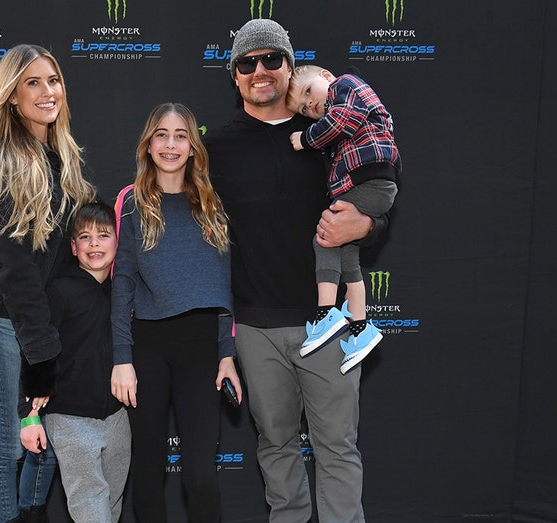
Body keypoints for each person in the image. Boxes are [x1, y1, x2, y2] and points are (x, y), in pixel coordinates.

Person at [202, 19, 390, 522]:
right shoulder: (214, 148)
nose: (260, 71)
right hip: (256, 327)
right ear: (235, 75)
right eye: (248, 63)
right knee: (276, 446)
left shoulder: (329, 133)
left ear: (290, 68)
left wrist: (367, 224)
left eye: (272, 60)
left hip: (325, 325)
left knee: (337, 448)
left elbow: (375, 193)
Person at [0, 43, 97, 523]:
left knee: (45, 439)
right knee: (9, 446)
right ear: (12, 96)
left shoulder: (60, 156)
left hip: (43, 324)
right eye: (33, 83)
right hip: (6, 325)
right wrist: (42, 351)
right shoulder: (7, 163)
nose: (48, 92)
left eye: (53, 80)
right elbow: (16, 270)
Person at [110, 102, 241, 523]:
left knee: (200, 475)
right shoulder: (130, 202)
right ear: (148, 144)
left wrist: (227, 353)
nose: (171, 144)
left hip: (202, 346)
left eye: (181, 135)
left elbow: (223, 286)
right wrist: (122, 360)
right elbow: (122, 283)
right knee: (147, 470)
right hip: (147, 344)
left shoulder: (211, 201)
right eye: (162, 135)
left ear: (192, 145)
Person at [286, 64, 401, 373]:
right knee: (347, 253)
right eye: (304, 108)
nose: (311, 106)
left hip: (371, 181)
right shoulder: (336, 108)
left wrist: (305, 139)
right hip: (372, 183)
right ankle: (361, 328)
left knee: (324, 237)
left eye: (308, 92)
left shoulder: (345, 86)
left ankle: (327, 314)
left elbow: (340, 122)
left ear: (325, 75)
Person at [34, 202, 131, 523]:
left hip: (118, 418)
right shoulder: (59, 292)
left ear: (118, 241)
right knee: (89, 503)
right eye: (85, 238)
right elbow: (38, 347)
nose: (94, 244)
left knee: (111, 504)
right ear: (73, 247)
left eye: (103, 236)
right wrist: (31, 412)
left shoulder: (124, 293)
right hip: (70, 417)